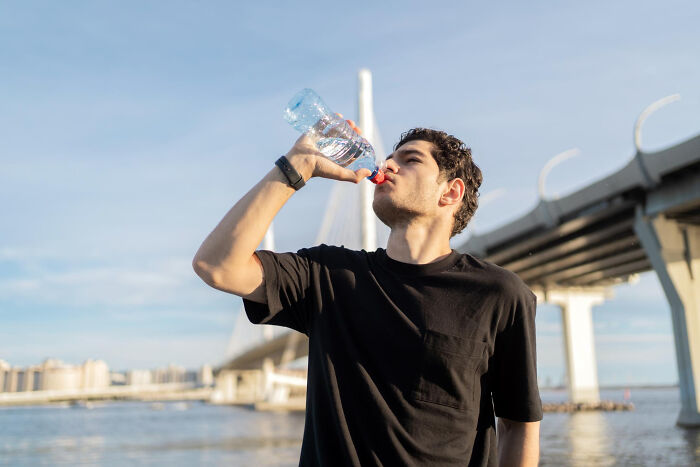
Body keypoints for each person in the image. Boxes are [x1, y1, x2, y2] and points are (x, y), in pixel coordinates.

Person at [193, 122, 542, 466]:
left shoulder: (499, 294)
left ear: (451, 192)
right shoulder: (328, 275)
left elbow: (517, 426)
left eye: (411, 160)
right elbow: (216, 266)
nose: (388, 164)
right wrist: (295, 167)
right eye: (390, 157)